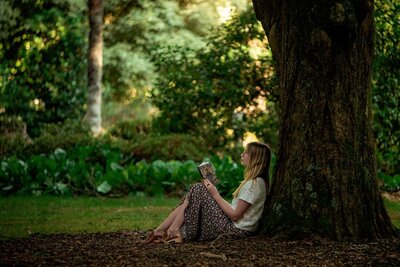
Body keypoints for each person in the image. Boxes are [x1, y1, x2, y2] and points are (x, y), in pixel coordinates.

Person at [141, 141, 271, 244]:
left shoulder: (254, 184)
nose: (242, 154)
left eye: (246, 152)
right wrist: (213, 193)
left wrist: (215, 194)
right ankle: (163, 230)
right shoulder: (256, 182)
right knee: (196, 190)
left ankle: (171, 230)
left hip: (235, 230)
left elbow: (235, 215)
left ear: (255, 158)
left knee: (197, 189)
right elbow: (234, 210)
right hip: (233, 226)